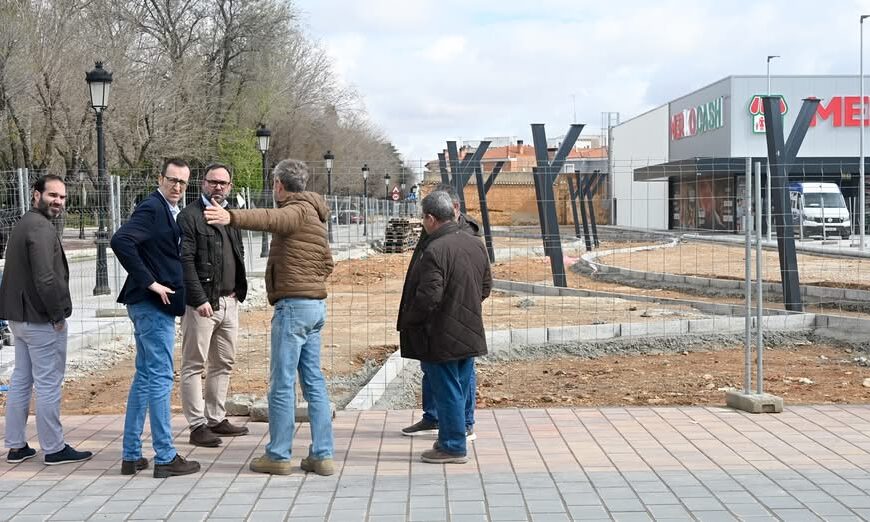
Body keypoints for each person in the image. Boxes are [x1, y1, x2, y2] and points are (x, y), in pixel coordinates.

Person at [204, 159, 335, 476]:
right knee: (314, 383)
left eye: (274, 184)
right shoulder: (316, 215)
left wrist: (230, 217)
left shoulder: (297, 209)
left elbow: (271, 218)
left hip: (293, 308)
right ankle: (322, 455)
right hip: (315, 306)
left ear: (279, 185)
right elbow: (328, 263)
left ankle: (278, 455)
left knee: (281, 385)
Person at [111, 159, 200, 478]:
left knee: (145, 376)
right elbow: (120, 240)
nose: (177, 187)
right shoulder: (152, 207)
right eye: (172, 180)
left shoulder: (167, 209)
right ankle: (165, 456)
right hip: (151, 304)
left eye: (183, 182)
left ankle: (131, 455)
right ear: (160, 178)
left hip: (152, 305)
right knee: (161, 377)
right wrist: (150, 281)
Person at [0, 175, 93, 465]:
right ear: (35, 194)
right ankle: (53, 448)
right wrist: (57, 316)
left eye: (63, 197)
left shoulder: (24, 224)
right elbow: (45, 277)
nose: (58, 202)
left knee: (21, 381)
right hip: (41, 320)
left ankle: (16, 445)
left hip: (20, 319)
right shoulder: (40, 228)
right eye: (53, 195)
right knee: (48, 383)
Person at [397, 190, 491, 464]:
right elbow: (485, 286)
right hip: (469, 328)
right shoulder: (475, 243)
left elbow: (429, 297)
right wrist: (466, 305)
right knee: (460, 386)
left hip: (439, 333)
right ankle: (453, 436)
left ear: (430, 218)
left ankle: (452, 446)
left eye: (423, 219)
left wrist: (411, 320)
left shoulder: (434, 249)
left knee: (447, 389)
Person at [178, 163, 249, 447]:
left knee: (224, 363)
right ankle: (197, 426)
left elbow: (237, 253)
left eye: (223, 183)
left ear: (230, 186)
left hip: (229, 302)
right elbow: (185, 261)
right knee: (193, 364)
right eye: (213, 182)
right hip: (202, 305)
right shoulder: (189, 217)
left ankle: (215, 418)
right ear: (202, 184)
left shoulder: (229, 217)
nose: (218, 187)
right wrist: (199, 299)